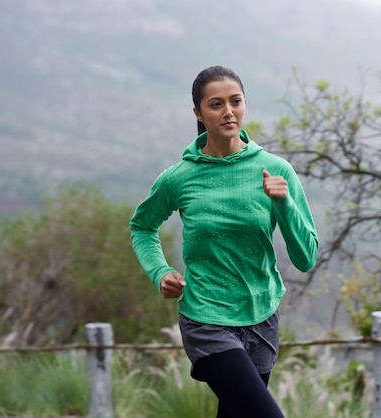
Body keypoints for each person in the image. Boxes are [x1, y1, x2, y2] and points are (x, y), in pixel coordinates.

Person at [129, 65, 318, 418]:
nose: (228, 111)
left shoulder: (277, 171)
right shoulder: (179, 178)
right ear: (198, 113)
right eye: (216, 104)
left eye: (236, 101)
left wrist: (284, 203)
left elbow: (306, 257)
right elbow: (142, 226)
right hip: (206, 317)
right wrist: (159, 271)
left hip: (262, 316)